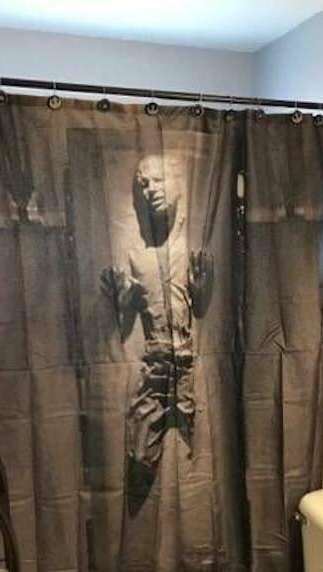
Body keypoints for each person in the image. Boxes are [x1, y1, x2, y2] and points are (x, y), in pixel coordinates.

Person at [101, 154, 213, 513]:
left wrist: (202, 291)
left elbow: (206, 315)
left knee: (197, 461)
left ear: (179, 185)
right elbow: (121, 330)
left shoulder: (191, 252)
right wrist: (119, 302)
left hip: (189, 367)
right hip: (154, 368)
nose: (150, 190)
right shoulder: (137, 257)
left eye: (158, 180)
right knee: (139, 460)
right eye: (143, 184)